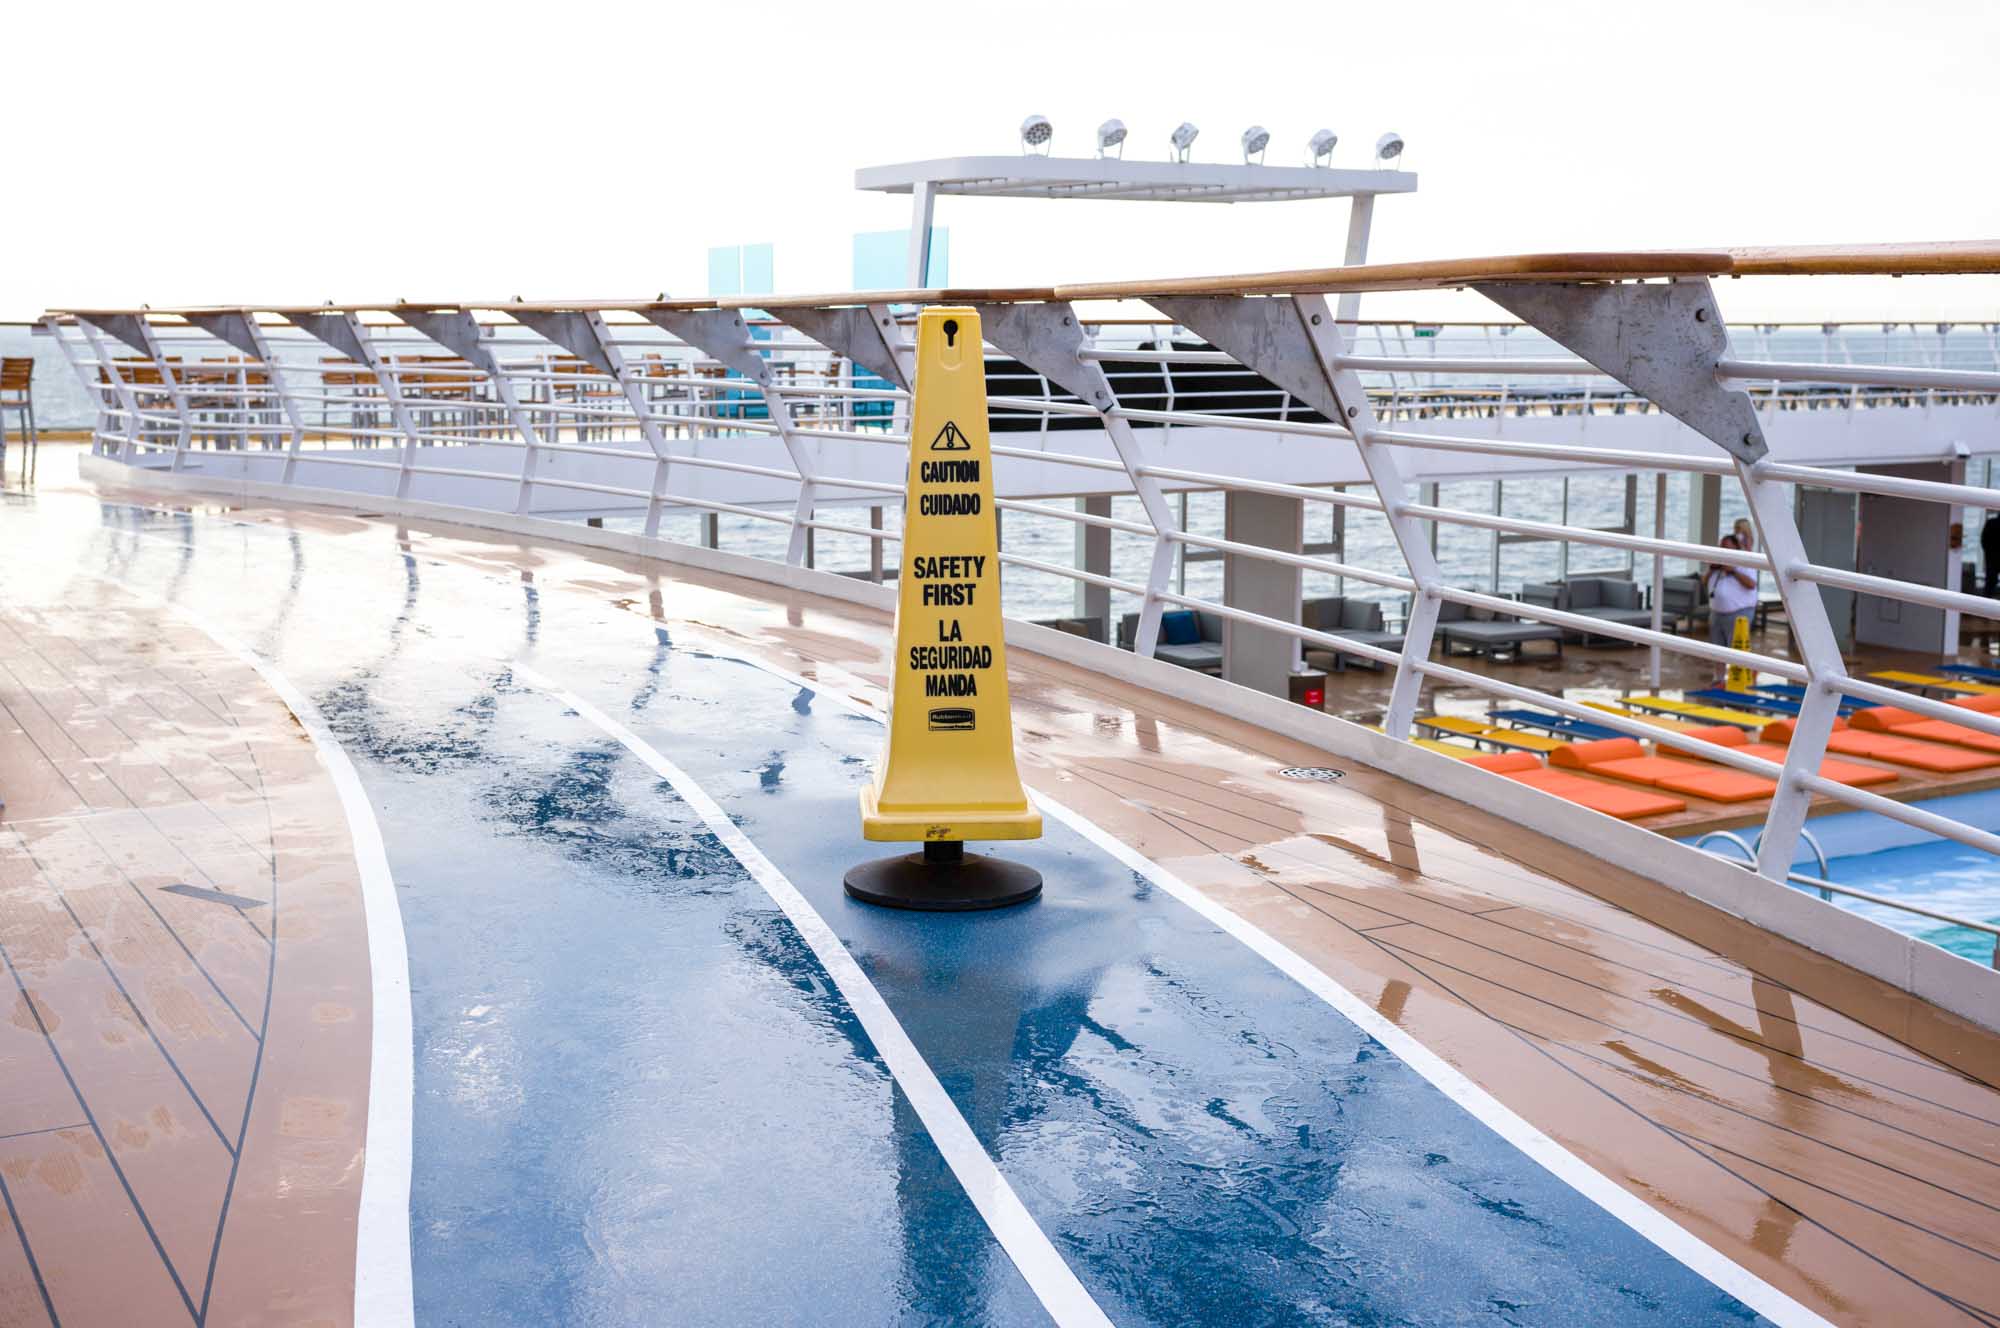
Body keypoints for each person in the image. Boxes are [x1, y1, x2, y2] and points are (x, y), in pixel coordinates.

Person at [1708, 531, 1759, 681]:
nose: (1724, 550)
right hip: (1716, 612)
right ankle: (1718, 679)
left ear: (1736, 549)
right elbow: (1704, 582)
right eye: (1722, 547)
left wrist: (1733, 571)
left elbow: (1751, 584)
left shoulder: (1745, 561)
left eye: (1727, 547)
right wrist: (1713, 569)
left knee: (1737, 648)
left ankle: (1744, 676)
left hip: (1738, 612)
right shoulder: (1717, 565)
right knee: (1717, 649)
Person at [1982, 513, 2000, 597]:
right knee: (1990, 581)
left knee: (1990, 582)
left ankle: (1985, 604)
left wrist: (1988, 552)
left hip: (1991, 557)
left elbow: (1984, 541)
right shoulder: (1991, 523)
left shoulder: (1990, 523)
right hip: (1992, 556)